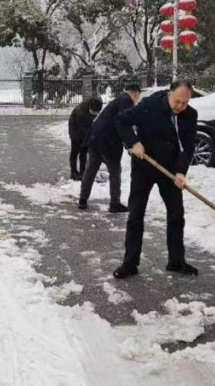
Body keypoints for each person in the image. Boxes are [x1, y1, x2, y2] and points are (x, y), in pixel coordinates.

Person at [112, 81, 198, 279]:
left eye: (185, 103)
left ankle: (176, 261)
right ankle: (130, 263)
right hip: (144, 166)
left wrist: (181, 172)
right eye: (177, 101)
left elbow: (188, 146)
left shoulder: (190, 115)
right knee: (136, 215)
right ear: (169, 94)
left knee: (176, 215)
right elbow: (121, 120)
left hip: (169, 169)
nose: (180, 107)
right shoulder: (149, 105)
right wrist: (134, 142)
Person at [79, 82, 142, 212]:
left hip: (95, 138)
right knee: (115, 173)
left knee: (91, 170)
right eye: (138, 97)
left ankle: (82, 200)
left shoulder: (118, 100)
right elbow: (124, 124)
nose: (137, 100)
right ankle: (114, 203)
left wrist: (128, 143)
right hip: (108, 142)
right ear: (135, 93)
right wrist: (132, 143)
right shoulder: (126, 101)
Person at [67, 96, 103, 180]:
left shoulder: (96, 104)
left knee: (83, 152)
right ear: (90, 108)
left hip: (85, 129)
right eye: (94, 112)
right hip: (75, 130)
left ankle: (82, 172)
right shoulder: (81, 112)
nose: (96, 114)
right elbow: (83, 130)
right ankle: (73, 172)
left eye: (97, 112)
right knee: (75, 151)